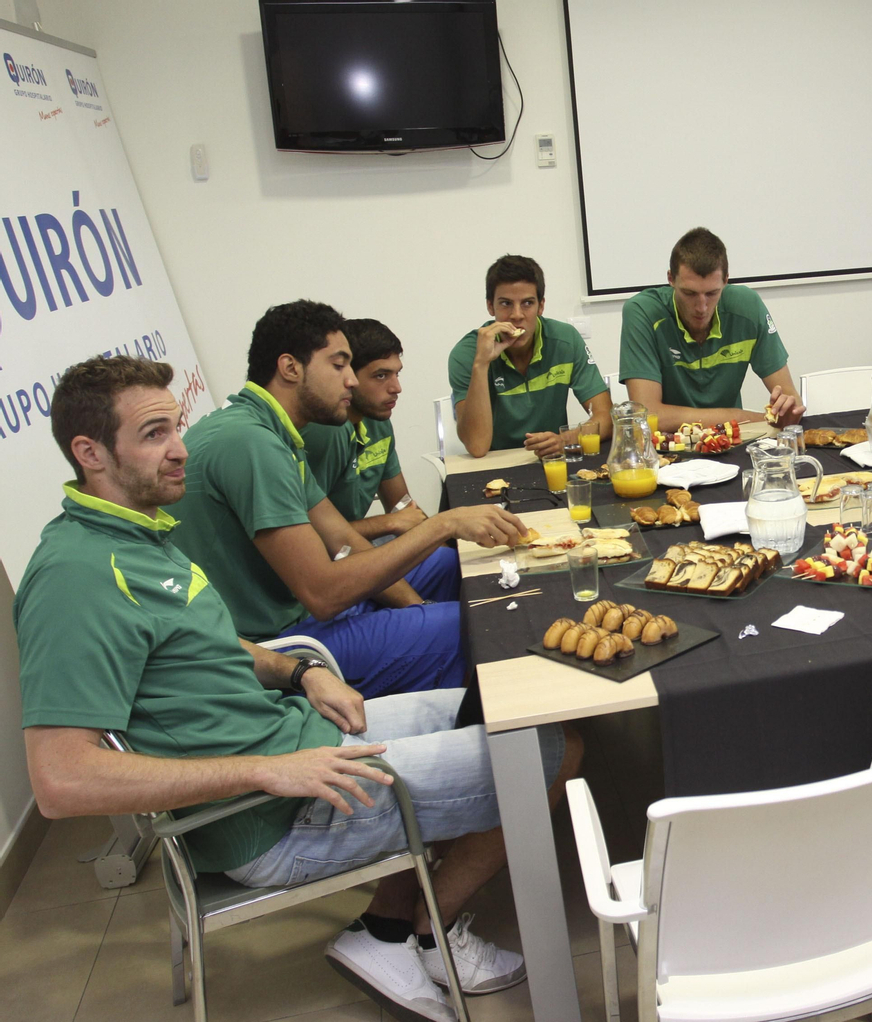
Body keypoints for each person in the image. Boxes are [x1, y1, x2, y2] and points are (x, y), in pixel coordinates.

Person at [17, 354, 582, 1021]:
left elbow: (191, 646)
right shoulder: (75, 578)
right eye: (153, 435)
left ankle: (389, 930)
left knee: (506, 712)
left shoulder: (138, 532)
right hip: (273, 811)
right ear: (90, 453)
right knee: (549, 752)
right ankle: (426, 930)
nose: (179, 450)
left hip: (298, 739)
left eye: (176, 428)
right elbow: (61, 779)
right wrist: (269, 771)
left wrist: (298, 671)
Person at [171, 300, 528, 697]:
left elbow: (342, 540)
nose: (352, 381)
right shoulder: (251, 443)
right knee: (475, 620)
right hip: (271, 645)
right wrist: (444, 523)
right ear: (290, 368)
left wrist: (416, 608)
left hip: (299, 609)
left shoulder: (270, 430)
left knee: (453, 567)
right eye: (339, 365)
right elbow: (324, 595)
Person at [620, 227, 805, 431]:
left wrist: (787, 408)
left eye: (712, 293)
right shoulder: (642, 312)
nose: (701, 307)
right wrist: (743, 417)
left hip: (731, 440)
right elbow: (648, 416)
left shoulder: (747, 306)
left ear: (726, 280)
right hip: (668, 443)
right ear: (671, 279)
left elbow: (792, 401)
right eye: (689, 293)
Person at [449, 255, 613, 458]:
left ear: (541, 306)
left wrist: (564, 440)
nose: (517, 315)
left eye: (527, 303)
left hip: (552, 459)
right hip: (496, 463)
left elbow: (606, 419)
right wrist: (481, 364)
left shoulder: (566, 341)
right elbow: (477, 446)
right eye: (506, 303)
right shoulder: (467, 354)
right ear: (490, 306)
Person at [303, 318, 430, 541]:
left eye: (397, 374)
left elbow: (402, 506)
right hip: (330, 554)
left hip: (357, 544)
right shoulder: (325, 433)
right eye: (381, 376)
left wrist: (443, 535)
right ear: (348, 377)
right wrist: (388, 522)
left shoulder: (378, 421)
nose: (396, 388)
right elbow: (307, 535)